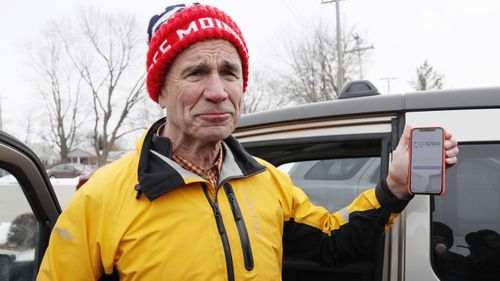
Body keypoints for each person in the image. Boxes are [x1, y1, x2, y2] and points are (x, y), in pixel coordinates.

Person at [37, 3, 459, 280]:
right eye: (197, 72)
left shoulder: (269, 183)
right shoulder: (101, 200)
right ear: (160, 91)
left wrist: (395, 188)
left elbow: (332, 243)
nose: (218, 90)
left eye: (230, 72)